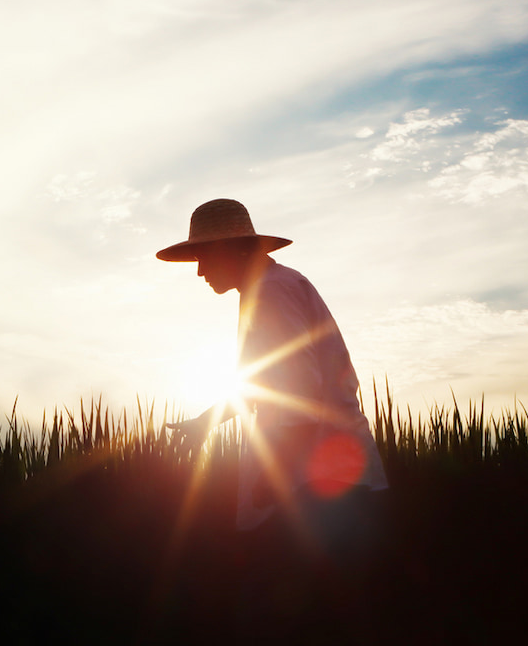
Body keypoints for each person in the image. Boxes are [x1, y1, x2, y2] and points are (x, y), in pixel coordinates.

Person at [157, 198, 389, 634]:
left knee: (285, 617)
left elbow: (301, 385)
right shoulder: (269, 289)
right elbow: (262, 381)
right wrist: (207, 421)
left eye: (203, 256)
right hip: (320, 483)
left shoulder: (272, 292)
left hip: (315, 487)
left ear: (233, 249)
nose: (200, 270)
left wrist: (277, 475)